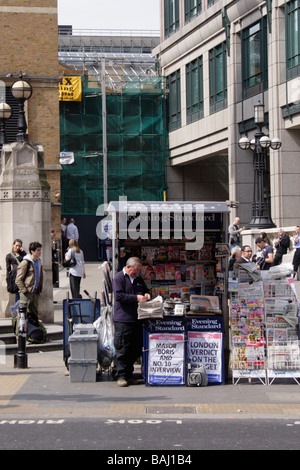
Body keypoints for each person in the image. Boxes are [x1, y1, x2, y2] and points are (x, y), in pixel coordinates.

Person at [113, 257, 150, 387]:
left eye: (139, 270)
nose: (137, 273)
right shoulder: (119, 278)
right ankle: (121, 376)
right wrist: (136, 298)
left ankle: (129, 375)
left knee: (134, 348)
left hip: (137, 319)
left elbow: (146, 290)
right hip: (123, 319)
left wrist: (146, 294)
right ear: (128, 267)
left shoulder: (138, 279)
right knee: (123, 348)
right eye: (135, 270)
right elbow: (118, 296)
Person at [15, 241, 43, 323]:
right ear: (32, 251)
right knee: (22, 316)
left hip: (35, 291)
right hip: (27, 292)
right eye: (38, 250)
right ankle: (19, 334)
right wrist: (24, 290)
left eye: (40, 250)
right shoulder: (26, 262)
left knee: (34, 315)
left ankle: (32, 333)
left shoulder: (39, 261)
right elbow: (18, 279)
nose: (40, 252)